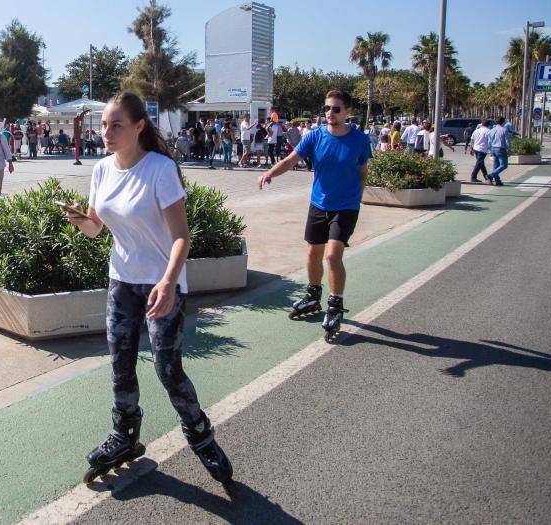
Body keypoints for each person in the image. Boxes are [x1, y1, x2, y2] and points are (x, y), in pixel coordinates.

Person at [66, 91, 233, 487]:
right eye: (104, 124)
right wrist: (78, 220)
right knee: (120, 363)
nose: (106, 132)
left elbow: (181, 237)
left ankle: (200, 434)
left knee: (166, 366)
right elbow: (95, 228)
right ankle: (124, 435)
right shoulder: (102, 170)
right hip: (122, 281)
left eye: (116, 125)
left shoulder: (160, 169)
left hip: (164, 283)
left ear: (139, 126)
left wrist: (169, 281)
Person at [258, 90, 370, 342]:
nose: (330, 113)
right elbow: (290, 159)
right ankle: (312, 294)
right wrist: (269, 174)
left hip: (346, 207)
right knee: (313, 253)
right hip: (319, 204)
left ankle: (335, 304)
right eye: (327, 109)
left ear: (347, 112)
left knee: (332, 255)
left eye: (336, 109)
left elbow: (363, 172)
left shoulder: (359, 140)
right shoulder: (316, 137)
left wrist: (358, 198)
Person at [489, 117, 511, 186]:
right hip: (500, 148)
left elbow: (489, 140)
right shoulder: (504, 130)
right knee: (504, 165)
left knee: (496, 164)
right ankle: (491, 175)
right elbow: (507, 141)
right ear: (503, 122)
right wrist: (509, 148)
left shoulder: (492, 129)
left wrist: (490, 149)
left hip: (493, 148)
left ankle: (497, 180)